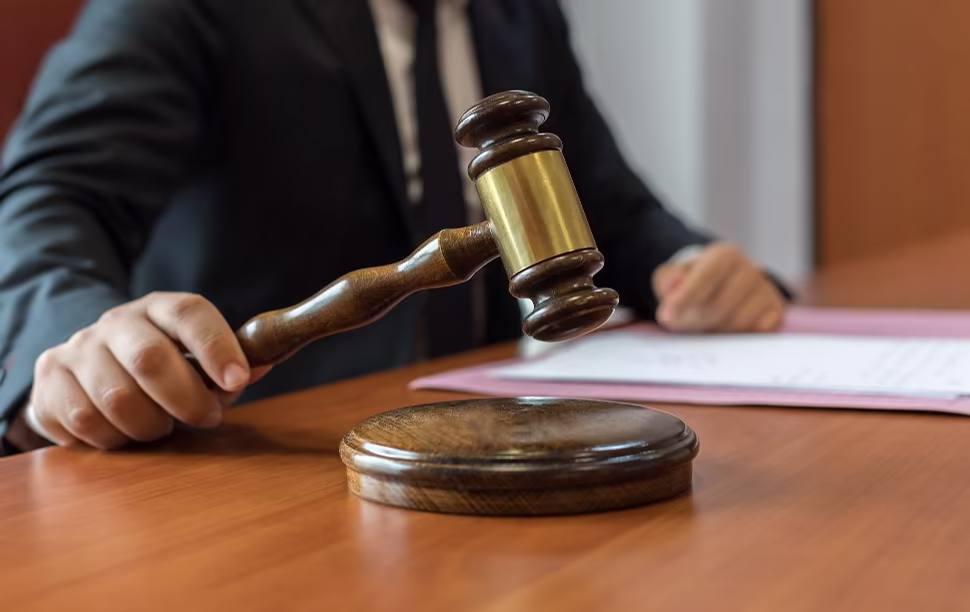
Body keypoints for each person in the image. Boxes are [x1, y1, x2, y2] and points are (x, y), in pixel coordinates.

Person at [0, 0, 789, 454]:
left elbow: (602, 205)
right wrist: (75, 347)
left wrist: (693, 263)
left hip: (472, 447)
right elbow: (51, 193)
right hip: (256, 448)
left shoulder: (519, 12)